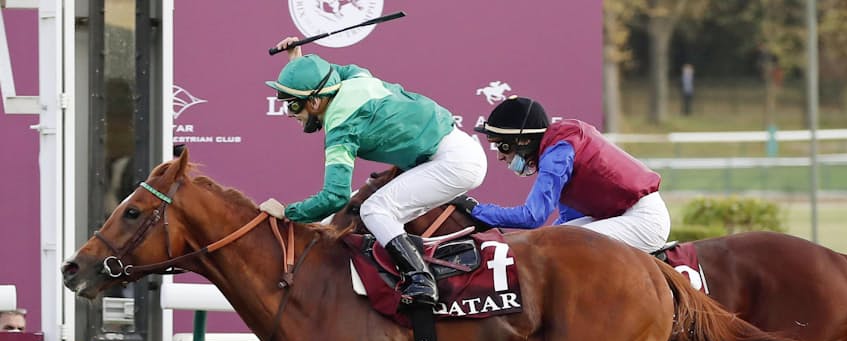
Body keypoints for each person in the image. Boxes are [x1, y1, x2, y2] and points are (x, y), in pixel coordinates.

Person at [259, 39, 487, 306]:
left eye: (294, 105)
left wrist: (289, 213)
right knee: (378, 213)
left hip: (453, 163)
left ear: (317, 102)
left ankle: (421, 281)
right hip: (453, 154)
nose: (289, 113)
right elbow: (331, 72)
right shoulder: (356, 77)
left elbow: (335, 196)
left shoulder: (342, 127)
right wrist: (298, 62)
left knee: (373, 210)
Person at [467, 96, 671, 254]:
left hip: (643, 221)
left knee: (562, 247)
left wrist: (476, 211)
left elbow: (532, 217)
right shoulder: (556, 149)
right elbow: (566, 220)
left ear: (522, 141)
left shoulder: (558, 152)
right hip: (623, 215)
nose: (500, 157)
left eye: (501, 146)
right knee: (545, 244)